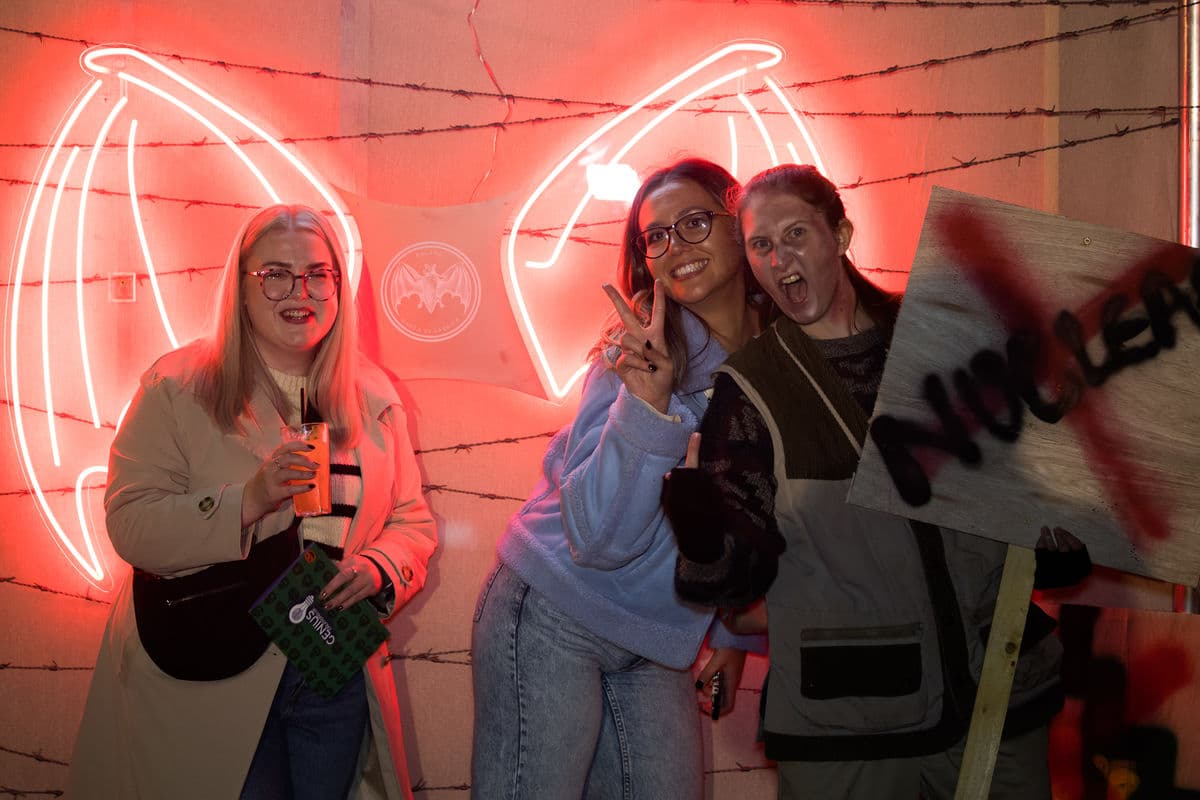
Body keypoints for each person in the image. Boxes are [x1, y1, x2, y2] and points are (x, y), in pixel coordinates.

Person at [664, 164, 1090, 800]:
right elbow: (737, 580)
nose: (779, 258)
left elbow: (1052, 537)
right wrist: (701, 535)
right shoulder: (751, 390)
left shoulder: (950, 338)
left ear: (841, 233)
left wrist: (1062, 431)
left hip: (997, 701)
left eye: (796, 233)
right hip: (848, 726)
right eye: (760, 244)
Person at [67, 204, 437, 800]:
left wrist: (378, 567)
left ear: (339, 286)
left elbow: (410, 520)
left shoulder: (371, 395)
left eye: (319, 274)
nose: (301, 291)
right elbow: (131, 524)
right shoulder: (178, 386)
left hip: (328, 661)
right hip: (212, 663)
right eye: (275, 275)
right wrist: (248, 501)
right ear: (240, 287)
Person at [470, 158, 770, 799]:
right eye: (655, 236)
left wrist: (726, 630)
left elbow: (749, 517)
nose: (674, 248)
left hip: (658, 634)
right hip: (554, 610)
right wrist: (650, 409)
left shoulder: (778, 357)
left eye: (693, 223)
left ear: (737, 221)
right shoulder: (637, 351)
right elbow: (598, 538)